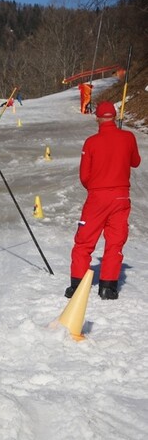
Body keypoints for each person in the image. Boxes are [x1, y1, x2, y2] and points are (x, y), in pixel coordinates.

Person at [65, 101, 141, 300]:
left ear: (97, 118)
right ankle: (108, 287)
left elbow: (84, 176)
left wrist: (95, 188)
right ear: (114, 117)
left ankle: (78, 285)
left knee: (84, 241)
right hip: (121, 197)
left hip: (98, 197)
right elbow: (135, 162)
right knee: (115, 242)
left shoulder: (91, 142)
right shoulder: (128, 137)